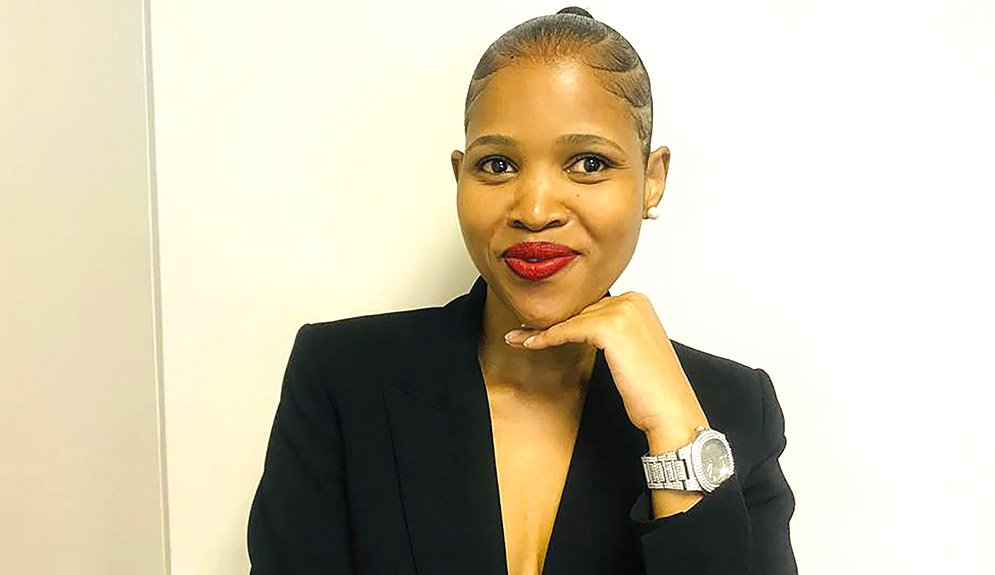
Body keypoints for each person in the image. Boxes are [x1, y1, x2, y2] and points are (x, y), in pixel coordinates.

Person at [247, 6, 796, 574]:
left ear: (651, 180)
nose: (534, 211)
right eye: (498, 164)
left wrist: (678, 439)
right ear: (460, 175)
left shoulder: (730, 411)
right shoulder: (344, 379)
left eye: (588, 163)